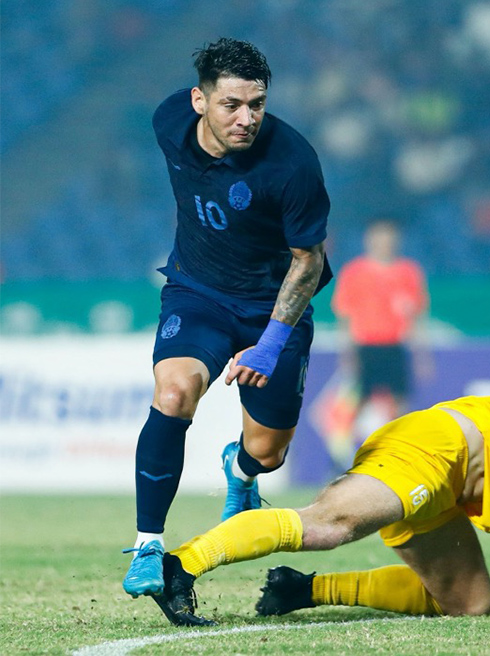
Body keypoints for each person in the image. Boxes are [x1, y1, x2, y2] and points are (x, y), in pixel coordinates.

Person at [137, 395, 490, 626]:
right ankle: (179, 565)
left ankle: (301, 590)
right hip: (440, 450)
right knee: (329, 523)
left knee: (470, 604)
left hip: (449, 493)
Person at [122, 38, 334, 599]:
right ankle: (147, 544)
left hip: (273, 308)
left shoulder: (292, 162)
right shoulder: (168, 121)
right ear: (199, 101)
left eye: (257, 104)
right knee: (173, 394)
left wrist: (271, 342)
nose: (247, 119)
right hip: (198, 294)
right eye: (232, 105)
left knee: (269, 452)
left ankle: (238, 472)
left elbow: (308, 261)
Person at [329, 218, 431, 462]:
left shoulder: (408, 272)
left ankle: (396, 456)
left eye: (389, 237)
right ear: (369, 240)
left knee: (399, 403)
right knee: (357, 403)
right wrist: (347, 353)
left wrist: (421, 355)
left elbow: (417, 316)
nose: (384, 242)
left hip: (395, 346)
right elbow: (345, 315)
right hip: (366, 346)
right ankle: (340, 458)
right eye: (379, 237)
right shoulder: (354, 272)